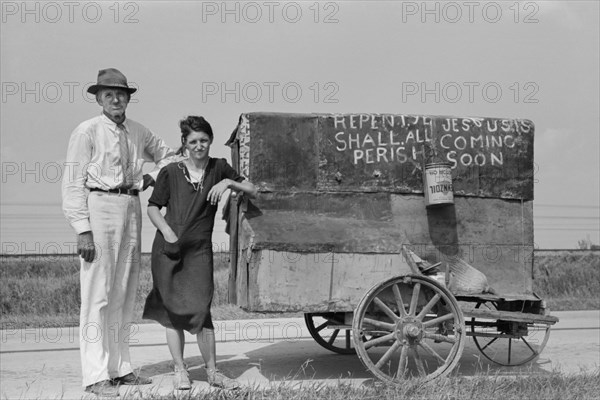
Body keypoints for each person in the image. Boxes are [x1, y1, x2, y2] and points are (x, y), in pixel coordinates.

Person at [62, 68, 176, 397]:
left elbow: (169, 156)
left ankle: (120, 367)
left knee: (124, 292)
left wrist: (149, 179)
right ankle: (96, 375)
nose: (116, 99)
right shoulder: (87, 131)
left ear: (129, 97)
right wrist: (82, 229)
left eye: (121, 94)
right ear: (98, 98)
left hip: (131, 206)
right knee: (98, 294)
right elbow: (72, 184)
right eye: (108, 94)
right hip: (100, 206)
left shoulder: (138, 131)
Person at [142, 115, 257, 390]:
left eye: (204, 140)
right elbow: (153, 207)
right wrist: (168, 233)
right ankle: (180, 370)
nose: (199, 145)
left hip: (199, 251)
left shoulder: (220, 168)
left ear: (210, 141)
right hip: (168, 250)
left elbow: (252, 189)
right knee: (172, 312)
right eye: (193, 141)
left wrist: (228, 184)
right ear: (184, 143)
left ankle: (213, 372)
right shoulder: (170, 172)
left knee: (202, 310)